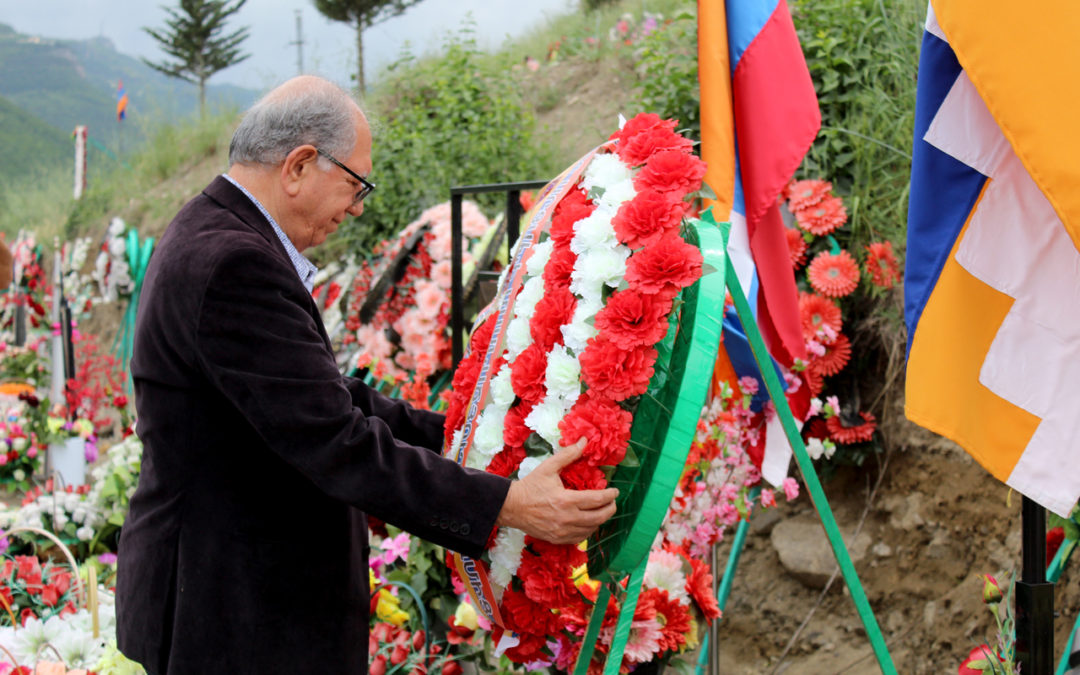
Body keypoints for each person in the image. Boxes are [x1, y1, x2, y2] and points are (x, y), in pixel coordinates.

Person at [116, 75, 618, 674]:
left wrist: (468, 434)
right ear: (300, 164)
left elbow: (322, 396)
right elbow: (334, 439)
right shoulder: (233, 262)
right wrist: (507, 504)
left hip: (235, 595)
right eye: (355, 185)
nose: (356, 208)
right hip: (233, 611)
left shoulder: (215, 233)